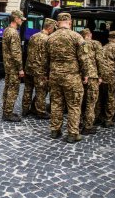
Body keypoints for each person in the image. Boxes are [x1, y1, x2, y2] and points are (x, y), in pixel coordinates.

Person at [45, 13, 89, 143]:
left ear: (58, 23)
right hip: (72, 77)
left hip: (55, 76)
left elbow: (45, 60)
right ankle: (72, 133)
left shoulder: (50, 38)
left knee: (56, 103)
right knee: (74, 105)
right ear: (70, 22)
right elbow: (84, 59)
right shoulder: (77, 37)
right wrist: (85, 74)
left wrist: (47, 74)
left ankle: (55, 130)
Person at [22, 18, 57, 119]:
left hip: (29, 67)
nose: (53, 30)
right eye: (53, 28)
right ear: (50, 28)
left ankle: (25, 109)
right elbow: (48, 57)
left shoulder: (34, 36)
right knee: (41, 90)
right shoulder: (47, 39)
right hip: (40, 70)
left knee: (28, 89)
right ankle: (40, 111)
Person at [97, 31, 115, 127]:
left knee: (99, 97)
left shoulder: (103, 47)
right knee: (110, 97)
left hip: (100, 76)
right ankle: (108, 120)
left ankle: (97, 117)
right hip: (111, 75)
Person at [1, 10, 26, 122]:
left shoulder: (7, 30)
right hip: (13, 67)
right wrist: (20, 68)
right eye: (21, 19)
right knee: (13, 89)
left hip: (7, 65)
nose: (22, 21)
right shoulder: (14, 33)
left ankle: (6, 109)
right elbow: (16, 53)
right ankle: (8, 113)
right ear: (16, 19)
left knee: (7, 88)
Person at [79, 28, 105, 135]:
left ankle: (78, 123)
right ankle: (88, 126)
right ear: (90, 34)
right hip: (93, 76)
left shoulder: (78, 42)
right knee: (91, 102)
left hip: (80, 76)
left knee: (79, 102)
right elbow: (100, 59)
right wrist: (101, 75)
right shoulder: (96, 43)